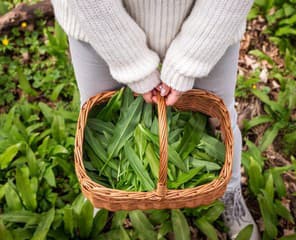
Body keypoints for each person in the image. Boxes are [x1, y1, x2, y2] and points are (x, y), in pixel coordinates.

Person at [51, 1, 260, 239]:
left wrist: (191, 60)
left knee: (220, 115)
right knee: (97, 112)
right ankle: (102, 190)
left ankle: (229, 191)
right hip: (96, 23)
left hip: (212, 24)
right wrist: (130, 63)